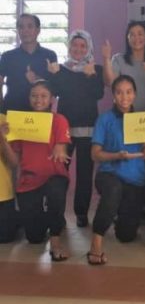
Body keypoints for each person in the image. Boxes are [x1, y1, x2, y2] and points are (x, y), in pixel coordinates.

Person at [87, 75, 145, 266]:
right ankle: (96, 243)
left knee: (126, 236)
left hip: (134, 180)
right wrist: (116, 156)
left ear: (135, 94)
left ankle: (117, 213)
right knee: (113, 190)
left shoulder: (141, 120)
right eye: (119, 92)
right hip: (109, 174)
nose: (124, 97)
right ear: (113, 95)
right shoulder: (105, 119)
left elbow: (144, 154)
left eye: (129, 92)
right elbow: (95, 154)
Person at [102, 21, 145, 224]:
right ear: (127, 38)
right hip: (123, 121)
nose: (137, 38)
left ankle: (140, 208)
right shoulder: (119, 59)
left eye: (140, 34)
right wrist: (106, 58)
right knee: (121, 162)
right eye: (132, 34)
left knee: (144, 166)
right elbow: (110, 82)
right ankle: (119, 206)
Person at [0, 81, 70, 260]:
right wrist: (2, 138)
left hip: (54, 176)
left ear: (52, 99)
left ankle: (55, 239)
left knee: (55, 190)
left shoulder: (59, 120)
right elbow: (14, 162)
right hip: (29, 180)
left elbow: (62, 146)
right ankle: (51, 219)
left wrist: (60, 148)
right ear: (29, 98)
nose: (38, 100)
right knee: (34, 238)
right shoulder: (20, 123)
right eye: (34, 95)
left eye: (43, 96)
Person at [48, 30, 104, 227]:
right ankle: (57, 214)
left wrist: (90, 76)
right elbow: (55, 92)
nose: (78, 49)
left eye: (82, 46)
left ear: (88, 48)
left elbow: (98, 94)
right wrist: (53, 75)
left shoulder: (95, 69)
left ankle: (81, 213)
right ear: (69, 46)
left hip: (88, 129)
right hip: (64, 130)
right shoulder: (61, 69)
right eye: (74, 45)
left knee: (85, 174)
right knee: (60, 171)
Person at [0, 14, 57, 113]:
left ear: (38, 30)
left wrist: (37, 79)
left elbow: (55, 87)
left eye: (30, 26)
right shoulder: (7, 56)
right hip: (12, 111)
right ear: (18, 31)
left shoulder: (50, 55)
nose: (25, 30)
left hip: (41, 113)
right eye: (21, 27)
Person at [0, 117, 19, 243]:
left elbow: (14, 163)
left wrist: (2, 138)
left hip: (3, 194)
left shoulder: (5, 120)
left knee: (6, 237)